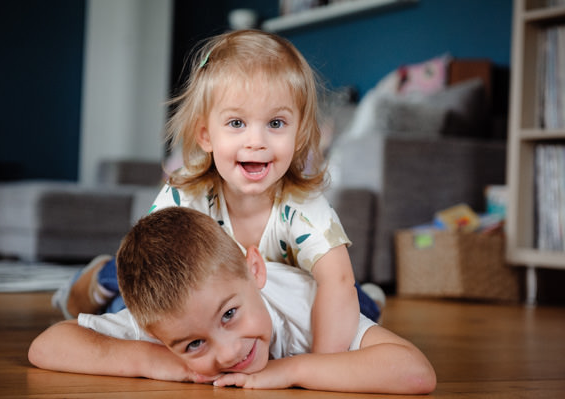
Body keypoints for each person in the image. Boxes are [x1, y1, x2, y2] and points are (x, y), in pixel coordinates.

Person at [53, 29, 383, 354]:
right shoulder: (187, 195)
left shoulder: (303, 205)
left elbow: (336, 284)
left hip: (275, 296)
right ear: (206, 136)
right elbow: (156, 272)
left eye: (276, 123)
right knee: (125, 300)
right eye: (237, 123)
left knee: (355, 303)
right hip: (195, 291)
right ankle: (96, 278)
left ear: (299, 136)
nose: (256, 141)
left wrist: (318, 369)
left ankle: (371, 295)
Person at [29, 207, 436, 394]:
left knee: (364, 304)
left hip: (323, 289)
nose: (226, 354)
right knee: (118, 296)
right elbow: (46, 346)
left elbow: (415, 374)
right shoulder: (170, 319)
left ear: (254, 269)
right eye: (193, 344)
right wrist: (157, 362)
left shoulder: (303, 303)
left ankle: (370, 294)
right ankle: (104, 276)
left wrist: (292, 370)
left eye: (229, 315)